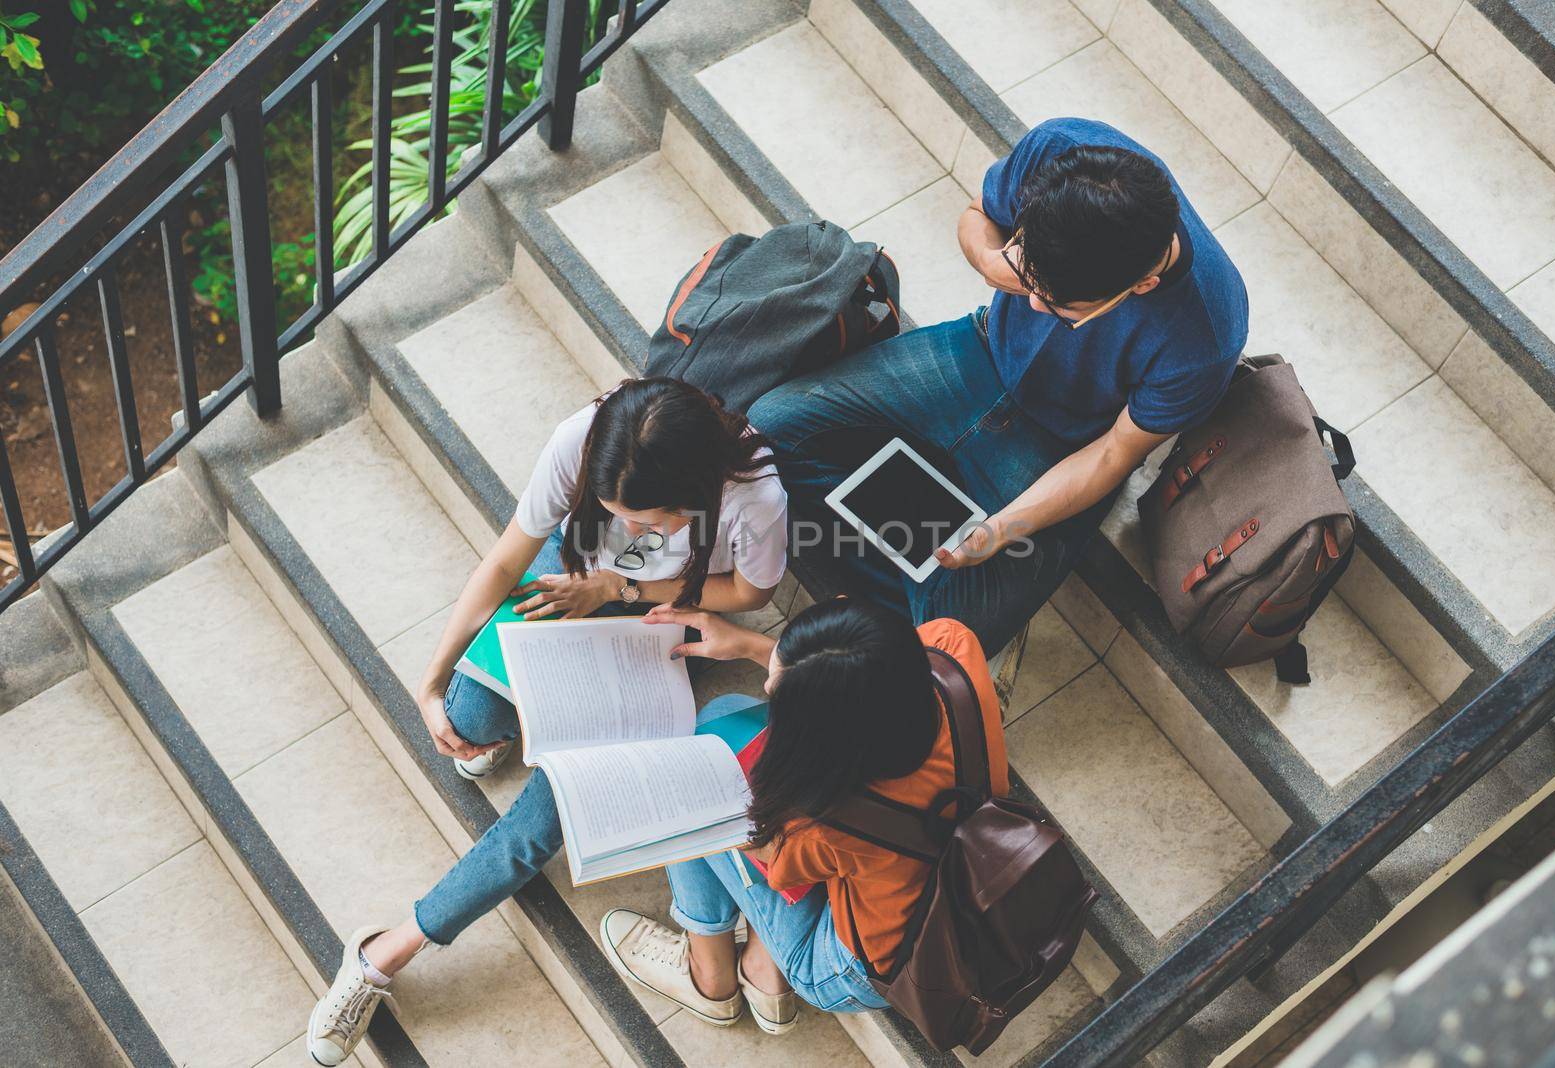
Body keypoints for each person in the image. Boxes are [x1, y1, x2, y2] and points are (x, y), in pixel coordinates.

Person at [303, 377, 788, 1067]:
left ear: (694, 493)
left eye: (653, 522)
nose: (637, 530)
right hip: (570, 577)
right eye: (617, 511)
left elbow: (750, 590)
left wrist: (619, 586)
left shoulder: (754, 497)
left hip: (652, 619)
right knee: (469, 720)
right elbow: (507, 558)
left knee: (544, 820)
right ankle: (527, 708)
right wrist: (433, 679)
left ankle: (384, 954)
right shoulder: (582, 441)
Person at [747, 117, 1249, 656]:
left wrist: (1000, 531)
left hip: (1065, 441)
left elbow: (1112, 456)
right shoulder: (1061, 151)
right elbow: (977, 217)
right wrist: (992, 262)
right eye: (1029, 277)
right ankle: (899, 577)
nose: (1031, 302)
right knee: (770, 424)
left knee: (956, 633)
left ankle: (891, 589)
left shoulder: (1206, 335)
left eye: (1056, 305)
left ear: (1142, 285)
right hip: (976, 350)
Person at [599, 597, 1007, 1033]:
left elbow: (775, 865)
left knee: (689, 780)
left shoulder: (828, 821)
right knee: (722, 716)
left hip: (850, 968)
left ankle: (710, 975)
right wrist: (754, 647)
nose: (766, 687)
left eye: (780, 690)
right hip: (957, 860)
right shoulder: (949, 645)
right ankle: (760, 963)